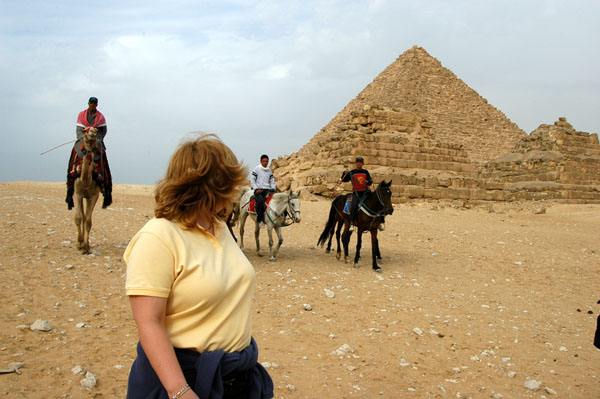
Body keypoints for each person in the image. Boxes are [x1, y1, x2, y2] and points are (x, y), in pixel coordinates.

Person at [124, 134, 274, 399]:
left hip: (236, 377)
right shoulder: (157, 237)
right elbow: (149, 322)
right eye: (227, 184)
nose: (234, 191)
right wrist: (180, 391)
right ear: (207, 186)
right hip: (188, 381)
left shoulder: (220, 227)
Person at [65, 97, 112, 210]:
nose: (93, 105)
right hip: (84, 139)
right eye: (91, 103)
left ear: (96, 105)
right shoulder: (82, 115)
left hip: (96, 139)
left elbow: (103, 131)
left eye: (94, 104)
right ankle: (70, 185)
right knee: (75, 153)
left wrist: (96, 138)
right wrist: (84, 137)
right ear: (88, 104)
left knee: (102, 158)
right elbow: (78, 130)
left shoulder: (100, 117)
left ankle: (105, 188)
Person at [341, 156, 385, 231]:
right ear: (356, 163)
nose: (359, 164)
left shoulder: (365, 172)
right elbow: (344, 180)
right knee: (354, 205)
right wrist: (344, 173)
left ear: (362, 164)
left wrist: (368, 182)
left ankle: (380, 222)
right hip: (356, 193)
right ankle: (351, 222)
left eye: (360, 162)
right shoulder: (352, 172)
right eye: (358, 162)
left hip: (365, 192)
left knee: (377, 203)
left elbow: (370, 181)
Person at [250, 154, 276, 224]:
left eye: (267, 161)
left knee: (278, 199)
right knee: (260, 200)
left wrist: (273, 188)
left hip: (267, 190)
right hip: (259, 190)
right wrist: (256, 189)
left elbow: (272, 181)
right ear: (261, 161)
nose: (265, 163)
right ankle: (260, 217)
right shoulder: (256, 169)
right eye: (264, 161)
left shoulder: (269, 171)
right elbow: (252, 180)